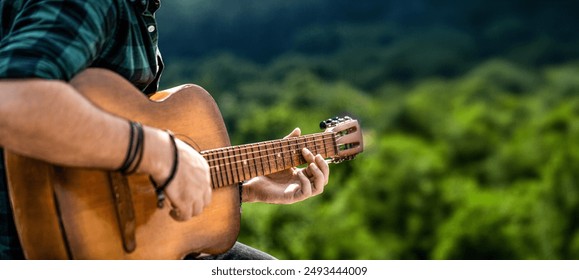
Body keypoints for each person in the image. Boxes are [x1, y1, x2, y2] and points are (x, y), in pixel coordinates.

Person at [0, 0, 329, 260]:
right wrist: (159, 153)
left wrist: (244, 188)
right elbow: (12, 101)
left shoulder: (138, 9)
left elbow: (122, 176)